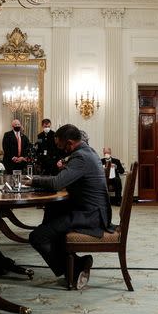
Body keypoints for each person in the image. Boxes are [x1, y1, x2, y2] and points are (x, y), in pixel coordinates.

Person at [25, 124, 113, 289]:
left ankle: (74, 268)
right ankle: (78, 262)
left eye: (60, 146)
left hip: (91, 215)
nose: (60, 150)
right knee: (53, 214)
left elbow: (57, 183)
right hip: (90, 209)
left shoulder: (80, 157)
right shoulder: (89, 151)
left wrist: (33, 180)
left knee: (38, 236)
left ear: (70, 143)